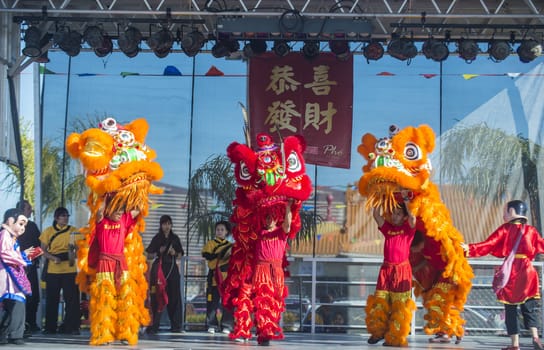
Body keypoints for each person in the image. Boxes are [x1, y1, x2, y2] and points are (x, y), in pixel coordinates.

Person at [462, 200, 544, 350]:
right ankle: (536, 337)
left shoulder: (505, 229)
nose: (503, 214)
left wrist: (468, 248)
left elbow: (488, 245)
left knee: (510, 308)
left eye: (505, 211)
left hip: (513, 271)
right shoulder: (531, 230)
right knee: (529, 306)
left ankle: (515, 344)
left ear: (512, 212)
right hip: (529, 271)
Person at [366, 194, 417, 347]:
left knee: (399, 306)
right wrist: (379, 197)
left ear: (403, 217)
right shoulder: (388, 229)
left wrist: (406, 200)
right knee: (379, 302)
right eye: (393, 213)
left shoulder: (408, 229)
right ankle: (378, 332)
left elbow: (413, 218)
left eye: (398, 214)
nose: (394, 216)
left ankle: (395, 337)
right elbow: (376, 214)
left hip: (402, 270)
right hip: (386, 270)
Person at [87, 202, 140, 345]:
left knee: (126, 299)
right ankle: (103, 334)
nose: (119, 212)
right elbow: (98, 212)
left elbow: (138, 208)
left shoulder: (124, 219)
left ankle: (124, 333)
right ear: (109, 210)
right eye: (116, 209)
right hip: (105, 263)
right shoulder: (101, 221)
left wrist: (134, 189)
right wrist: (107, 195)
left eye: (121, 210)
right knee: (105, 299)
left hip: (121, 264)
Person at [39, 207, 82, 335]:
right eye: (63, 216)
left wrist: (73, 254)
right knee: (52, 299)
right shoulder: (48, 231)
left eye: (67, 215)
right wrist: (53, 258)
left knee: (72, 300)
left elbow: (81, 249)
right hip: (53, 269)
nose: (66, 218)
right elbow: (42, 250)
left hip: (69, 268)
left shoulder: (74, 231)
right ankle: (50, 327)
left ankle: (71, 327)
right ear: (56, 218)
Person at [0, 208, 35, 345]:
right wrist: (22, 257)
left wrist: (23, 256)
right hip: (6, 275)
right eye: (21, 224)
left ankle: (13, 334)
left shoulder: (11, 238)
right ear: (10, 221)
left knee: (14, 303)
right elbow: (5, 253)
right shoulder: (4, 235)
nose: (23, 228)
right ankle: (12, 334)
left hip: (12, 277)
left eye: (24, 226)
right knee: (11, 304)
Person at [145, 215, 184, 334]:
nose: (166, 226)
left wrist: (174, 252)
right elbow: (149, 255)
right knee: (157, 297)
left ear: (171, 225)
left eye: (168, 224)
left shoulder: (175, 238)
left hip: (172, 269)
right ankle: (154, 325)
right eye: (164, 224)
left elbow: (180, 255)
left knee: (174, 298)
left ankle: (176, 326)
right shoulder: (157, 238)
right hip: (159, 269)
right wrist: (158, 251)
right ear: (161, 225)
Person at [201, 220, 234, 334]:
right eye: (218, 229)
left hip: (226, 277)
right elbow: (207, 256)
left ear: (226, 232)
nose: (219, 232)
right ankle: (212, 324)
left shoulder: (230, 246)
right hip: (214, 277)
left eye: (222, 230)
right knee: (212, 302)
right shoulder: (210, 244)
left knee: (227, 302)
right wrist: (219, 255)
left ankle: (227, 325)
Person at [16, 200, 41, 335]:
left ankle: (31, 322)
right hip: (15, 267)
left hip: (30, 266)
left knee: (33, 296)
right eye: (28, 208)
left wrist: (30, 259)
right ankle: (19, 324)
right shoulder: (8, 229)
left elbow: (39, 246)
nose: (31, 211)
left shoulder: (32, 226)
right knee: (19, 296)